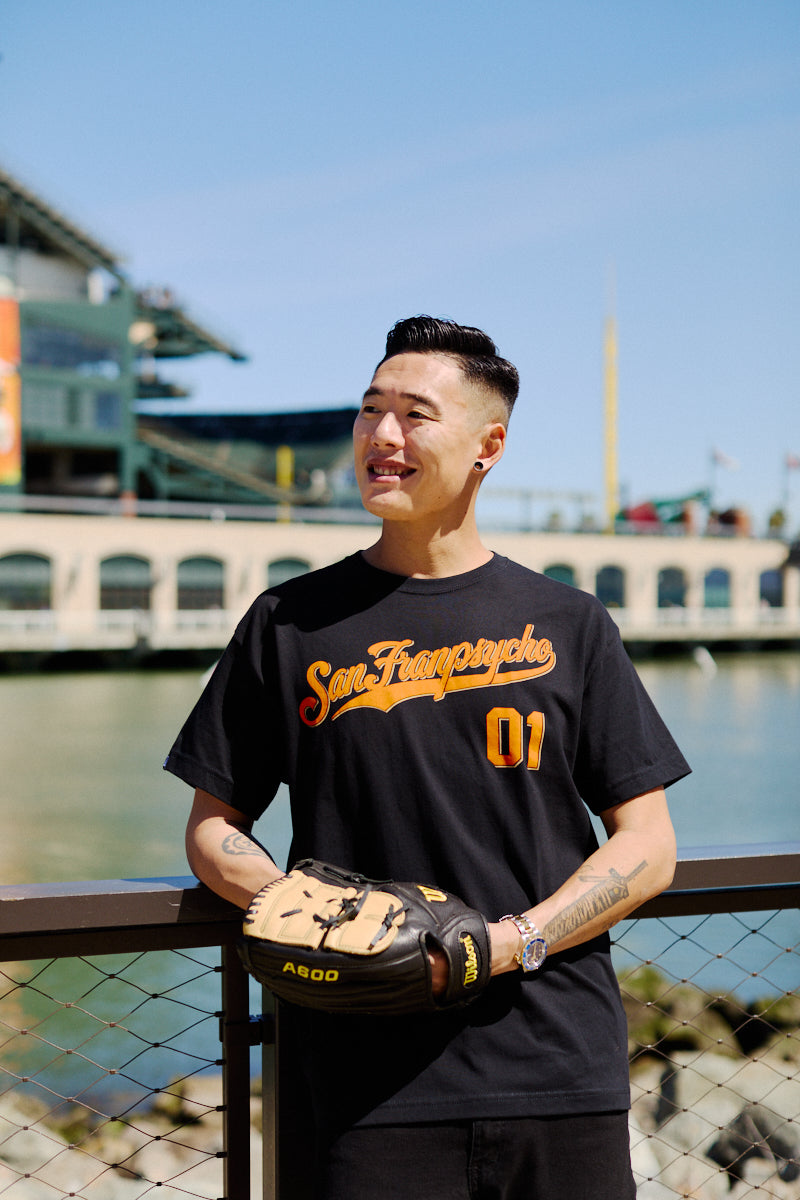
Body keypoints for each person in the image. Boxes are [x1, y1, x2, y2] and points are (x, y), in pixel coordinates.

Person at [165, 315, 690, 1199]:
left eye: (414, 414)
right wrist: (315, 916)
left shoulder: (570, 624)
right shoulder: (287, 622)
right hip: (359, 1087)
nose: (382, 436)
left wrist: (505, 944)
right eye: (371, 411)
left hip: (557, 1069)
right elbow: (214, 827)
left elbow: (647, 846)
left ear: (489, 445)